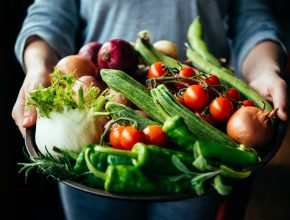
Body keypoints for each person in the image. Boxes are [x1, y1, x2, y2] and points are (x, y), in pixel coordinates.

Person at [12, 0, 288, 220]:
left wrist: (265, 71)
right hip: (92, 129)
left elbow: (251, 16)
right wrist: (38, 67)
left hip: (200, 137)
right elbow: (50, 13)